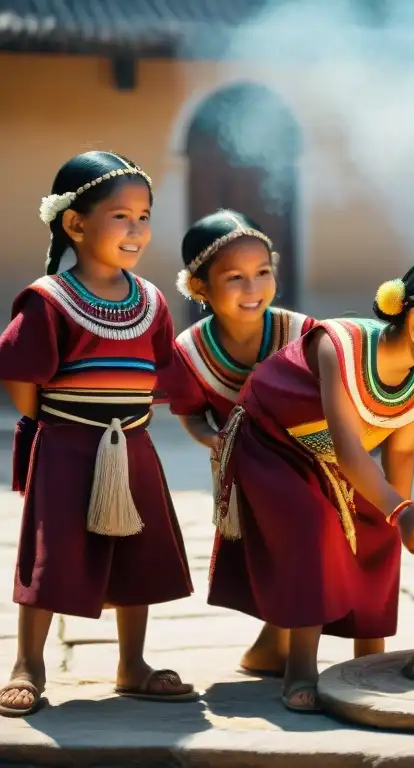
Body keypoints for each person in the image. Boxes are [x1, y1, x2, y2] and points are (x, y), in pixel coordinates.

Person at [209, 255, 414, 712]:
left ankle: (366, 662)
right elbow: (349, 450)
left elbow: (399, 452)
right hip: (272, 444)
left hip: (335, 459)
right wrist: (401, 510)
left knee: (379, 532)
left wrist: (399, 515)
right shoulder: (338, 344)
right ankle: (300, 668)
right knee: (313, 524)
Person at [0, 151, 195, 717]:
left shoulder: (153, 300)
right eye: (120, 216)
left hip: (133, 447)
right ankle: (28, 664)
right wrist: (54, 428)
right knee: (51, 554)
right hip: (66, 445)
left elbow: (161, 372)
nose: (136, 229)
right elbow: (21, 375)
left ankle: (131, 663)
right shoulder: (49, 300)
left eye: (144, 215)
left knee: (137, 553)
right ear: (75, 224)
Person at [157, 209, 316, 677]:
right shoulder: (188, 352)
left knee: (301, 544)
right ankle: (278, 645)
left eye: (262, 272)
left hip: (308, 461)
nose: (253, 289)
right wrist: (218, 442)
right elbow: (191, 414)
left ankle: (278, 642)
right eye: (235, 278)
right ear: (199, 287)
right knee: (273, 554)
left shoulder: (302, 333)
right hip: (243, 470)